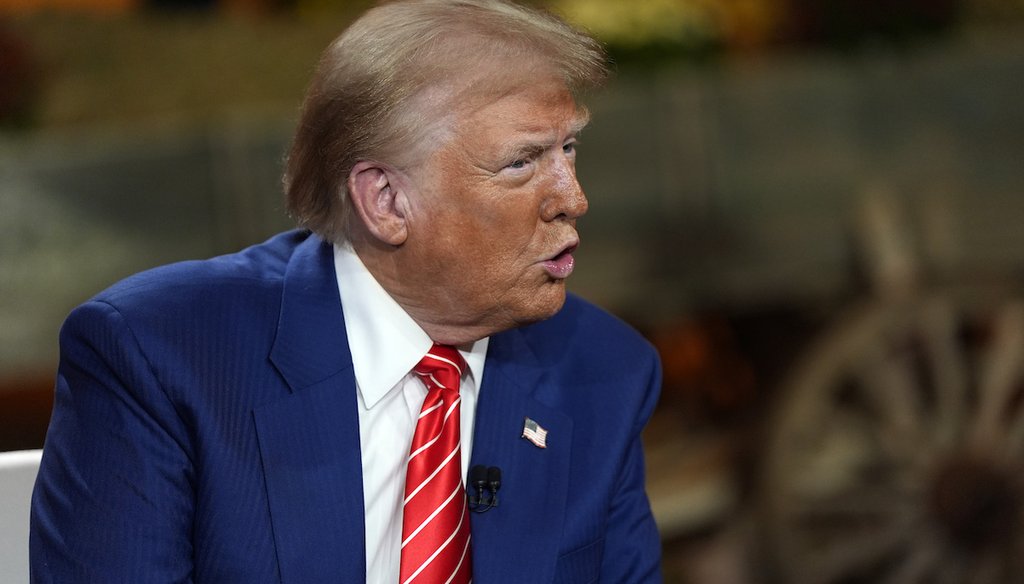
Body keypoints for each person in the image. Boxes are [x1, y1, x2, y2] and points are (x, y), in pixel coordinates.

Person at [30, 0, 663, 582]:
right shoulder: (160, 357)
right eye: (521, 163)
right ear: (387, 201)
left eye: (569, 147)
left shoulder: (606, 372)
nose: (574, 198)